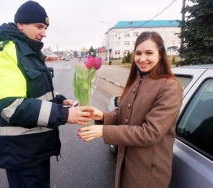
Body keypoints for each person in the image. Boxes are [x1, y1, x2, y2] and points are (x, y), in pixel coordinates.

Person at [0, 1, 93, 188]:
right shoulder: (4, 52)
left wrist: (59, 101)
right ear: (20, 24)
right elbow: (11, 107)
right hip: (21, 153)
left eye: (46, 27)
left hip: (35, 149)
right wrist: (63, 114)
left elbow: (35, 91)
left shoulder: (26, 51)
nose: (44, 32)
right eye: (39, 26)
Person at [78, 31, 183, 188]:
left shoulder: (169, 86)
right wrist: (102, 116)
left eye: (149, 53)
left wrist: (103, 131)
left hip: (148, 174)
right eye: (138, 53)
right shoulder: (136, 80)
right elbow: (122, 114)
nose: (142, 58)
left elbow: (150, 133)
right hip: (126, 164)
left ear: (160, 55)